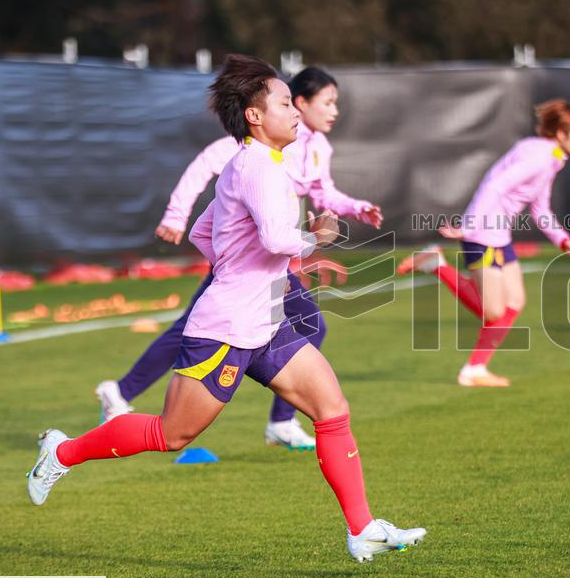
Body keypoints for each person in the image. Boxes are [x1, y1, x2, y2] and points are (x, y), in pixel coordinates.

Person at [28, 54, 425, 563]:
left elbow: (201, 232)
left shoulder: (257, 164)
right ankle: (61, 451)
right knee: (171, 434)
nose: (296, 113)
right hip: (228, 329)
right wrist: (317, 236)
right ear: (255, 116)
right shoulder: (258, 165)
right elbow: (279, 237)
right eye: (285, 103)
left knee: (332, 410)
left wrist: (245, 269)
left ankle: (362, 526)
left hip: (264, 320)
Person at [95, 66, 382, 451]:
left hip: (262, 271)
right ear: (299, 103)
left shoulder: (312, 147)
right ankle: (119, 394)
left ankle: (282, 423)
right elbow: (209, 169)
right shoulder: (258, 150)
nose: (334, 111)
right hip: (253, 272)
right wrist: (177, 215)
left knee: (303, 334)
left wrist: (356, 208)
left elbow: (322, 194)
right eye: (327, 102)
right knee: (186, 374)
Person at [398, 99, 570, 387]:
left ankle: (475, 369)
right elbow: (496, 185)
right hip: (482, 235)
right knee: (494, 311)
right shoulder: (539, 157)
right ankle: (436, 265)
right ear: (562, 133)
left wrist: (563, 239)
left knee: (514, 303)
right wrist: (470, 226)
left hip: (498, 235)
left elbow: (540, 208)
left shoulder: (551, 156)